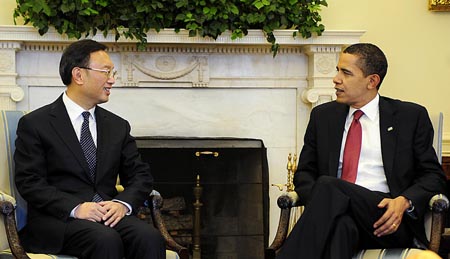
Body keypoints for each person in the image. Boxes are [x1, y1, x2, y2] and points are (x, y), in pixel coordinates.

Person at [276, 43, 447, 259]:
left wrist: (404, 201)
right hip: (336, 214)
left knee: (329, 185)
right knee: (341, 226)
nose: (336, 79)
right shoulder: (323, 116)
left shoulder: (409, 117)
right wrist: (327, 204)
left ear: (372, 81)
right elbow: (304, 175)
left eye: (346, 73)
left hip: (386, 218)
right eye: (338, 70)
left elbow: (434, 176)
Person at [14, 39, 166, 258]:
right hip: (59, 220)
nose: (112, 80)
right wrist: (77, 207)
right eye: (106, 72)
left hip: (106, 215)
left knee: (150, 237)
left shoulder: (117, 126)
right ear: (78, 75)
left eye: (113, 73)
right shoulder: (36, 123)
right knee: (104, 239)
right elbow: (30, 182)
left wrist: (122, 204)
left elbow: (140, 175)